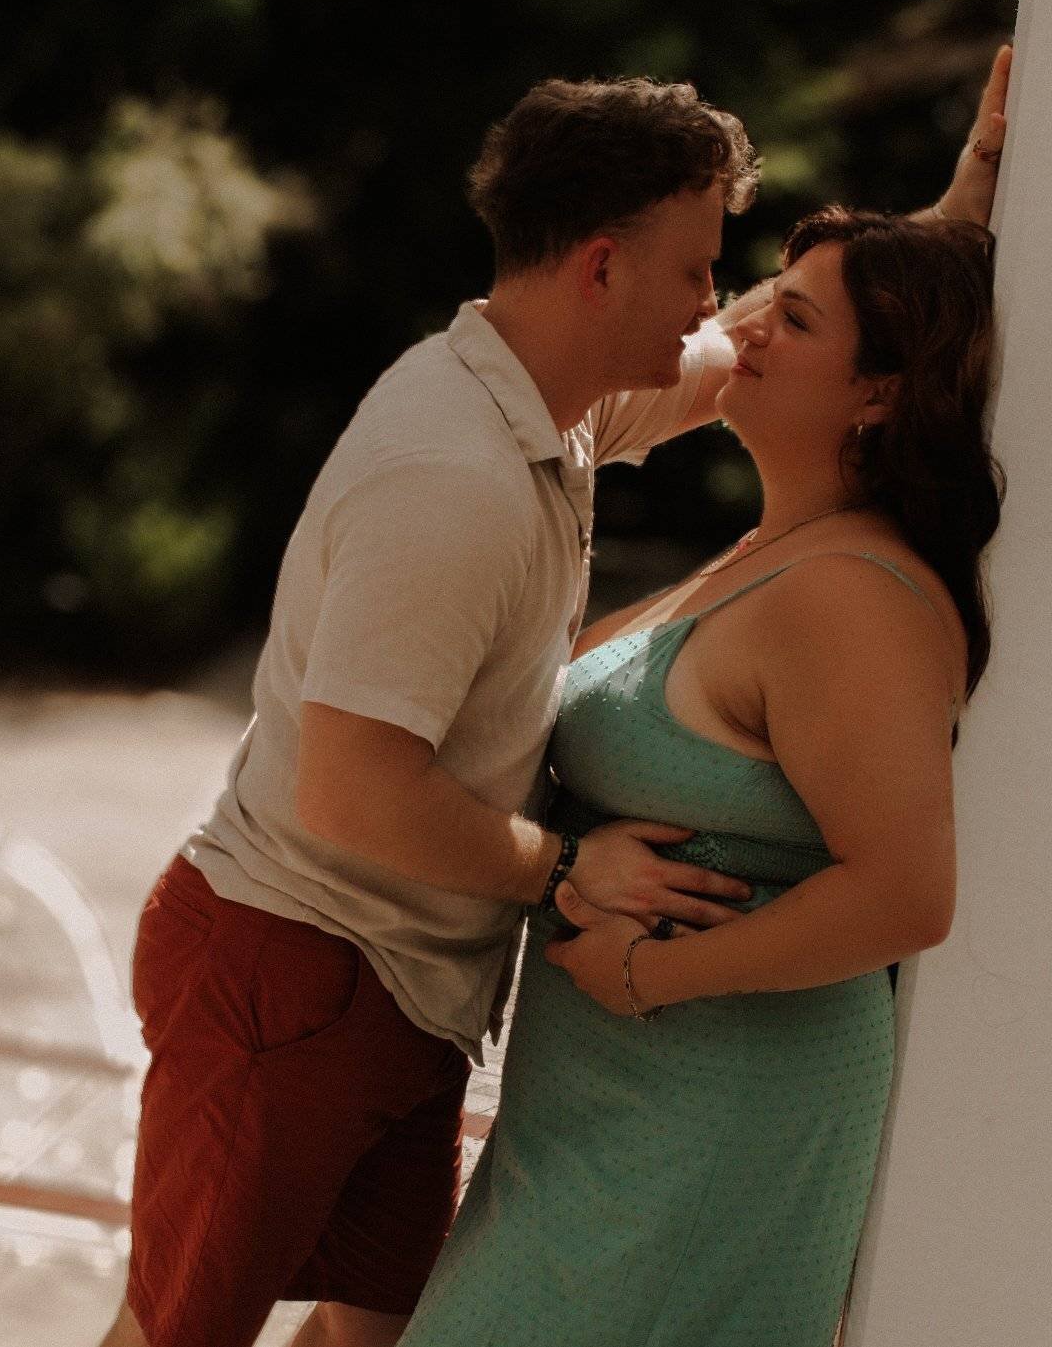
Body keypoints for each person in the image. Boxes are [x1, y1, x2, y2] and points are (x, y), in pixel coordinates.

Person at [98, 49, 1009, 1347]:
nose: (723, 309)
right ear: (602, 267)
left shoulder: (559, 411)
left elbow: (835, 343)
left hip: (413, 1003)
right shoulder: (451, 472)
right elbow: (352, 785)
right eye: (701, 268)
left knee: (364, 1334)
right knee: (178, 1332)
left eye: (737, 287)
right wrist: (574, 868)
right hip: (298, 961)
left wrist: (960, 227)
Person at [394, 200, 1005, 1347]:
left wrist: (655, 980)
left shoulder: (852, 599)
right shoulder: (778, 550)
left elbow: (903, 894)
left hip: (713, 1110)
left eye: (795, 320)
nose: (747, 331)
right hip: (595, 1107)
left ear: (877, 392)